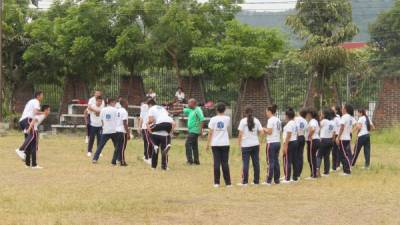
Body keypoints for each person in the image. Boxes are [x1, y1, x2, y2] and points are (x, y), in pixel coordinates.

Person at [206, 103, 231, 188]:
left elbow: (210, 132)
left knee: (216, 163)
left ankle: (217, 183)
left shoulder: (213, 119)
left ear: (216, 110)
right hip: (225, 143)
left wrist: (207, 144)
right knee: (225, 163)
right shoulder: (227, 118)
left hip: (215, 143)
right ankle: (228, 183)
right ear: (224, 110)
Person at [237, 106, 263, 186]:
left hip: (245, 145)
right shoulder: (257, 120)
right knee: (256, 163)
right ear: (252, 112)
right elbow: (262, 132)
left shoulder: (243, 121)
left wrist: (239, 144)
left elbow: (240, 134)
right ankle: (256, 181)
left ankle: (245, 182)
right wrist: (258, 140)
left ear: (245, 113)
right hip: (255, 144)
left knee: (245, 163)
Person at [147, 99, 175, 170]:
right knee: (164, 149)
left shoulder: (151, 109)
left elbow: (151, 120)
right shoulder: (163, 109)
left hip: (157, 128)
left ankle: (153, 167)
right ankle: (164, 166)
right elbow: (173, 124)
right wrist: (170, 133)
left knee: (149, 131)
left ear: (150, 105)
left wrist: (147, 124)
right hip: (167, 129)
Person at [15, 91, 44, 160]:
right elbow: (35, 112)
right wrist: (44, 112)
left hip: (22, 121)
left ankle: (26, 155)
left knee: (29, 137)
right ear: (38, 96)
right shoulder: (36, 101)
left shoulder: (31, 101)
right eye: (42, 95)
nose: (43, 96)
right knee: (32, 135)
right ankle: (20, 150)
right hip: (27, 119)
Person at [92, 98, 119, 164]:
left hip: (106, 130)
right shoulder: (116, 110)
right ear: (111, 102)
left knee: (100, 145)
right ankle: (118, 159)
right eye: (114, 102)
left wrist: (104, 126)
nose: (115, 104)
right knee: (117, 146)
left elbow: (101, 120)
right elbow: (118, 120)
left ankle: (95, 158)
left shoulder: (103, 110)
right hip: (114, 131)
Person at [23, 105, 50, 169]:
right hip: (32, 131)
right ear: (45, 110)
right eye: (48, 110)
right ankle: (34, 165)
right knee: (34, 148)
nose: (49, 111)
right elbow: (33, 120)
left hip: (27, 130)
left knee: (29, 148)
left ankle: (27, 164)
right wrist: (29, 129)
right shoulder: (42, 115)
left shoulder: (43, 115)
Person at [262, 104, 281, 186]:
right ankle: (277, 179)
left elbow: (269, 132)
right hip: (277, 142)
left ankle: (268, 180)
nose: (265, 113)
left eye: (266, 111)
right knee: (276, 161)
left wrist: (264, 129)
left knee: (270, 162)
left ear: (269, 111)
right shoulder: (278, 120)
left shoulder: (270, 120)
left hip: (271, 143)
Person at [183, 99, 205, 165]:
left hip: (195, 130)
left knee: (187, 144)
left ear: (193, 103)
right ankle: (196, 161)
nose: (188, 104)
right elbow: (183, 110)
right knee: (194, 146)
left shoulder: (198, 110)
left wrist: (201, 131)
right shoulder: (191, 110)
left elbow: (202, 119)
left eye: (189, 103)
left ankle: (190, 161)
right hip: (191, 130)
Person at [336, 104, 354, 175]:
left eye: (343, 108)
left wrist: (338, 137)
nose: (341, 109)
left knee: (343, 155)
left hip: (343, 138)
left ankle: (347, 171)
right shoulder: (350, 117)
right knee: (345, 154)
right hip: (347, 138)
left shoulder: (344, 117)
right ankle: (346, 170)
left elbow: (342, 127)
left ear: (346, 109)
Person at [282, 108, 298, 183]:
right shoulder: (294, 123)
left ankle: (287, 178)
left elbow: (288, 135)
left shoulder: (289, 124)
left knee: (287, 160)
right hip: (295, 141)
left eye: (285, 115)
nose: (284, 117)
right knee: (294, 160)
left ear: (287, 116)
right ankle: (295, 177)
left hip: (290, 142)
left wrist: (285, 146)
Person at [317, 108, 335, 176]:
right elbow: (334, 133)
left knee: (319, 155)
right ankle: (326, 172)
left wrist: (320, 119)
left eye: (322, 114)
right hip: (330, 140)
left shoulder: (324, 121)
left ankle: (317, 169)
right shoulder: (332, 122)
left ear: (324, 115)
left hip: (323, 140)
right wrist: (332, 141)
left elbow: (318, 126)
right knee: (326, 156)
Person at [112, 99, 130, 166]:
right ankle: (122, 161)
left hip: (117, 130)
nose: (128, 104)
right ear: (124, 103)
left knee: (117, 147)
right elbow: (124, 123)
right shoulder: (124, 111)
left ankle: (114, 160)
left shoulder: (117, 110)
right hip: (122, 131)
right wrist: (128, 133)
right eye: (127, 103)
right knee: (122, 147)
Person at [306, 108, 320, 179]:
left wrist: (309, 136)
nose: (307, 116)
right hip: (315, 140)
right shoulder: (314, 121)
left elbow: (313, 129)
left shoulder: (313, 121)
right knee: (311, 157)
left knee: (311, 158)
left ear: (310, 114)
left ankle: (314, 174)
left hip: (313, 140)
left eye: (307, 114)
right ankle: (313, 173)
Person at [294, 108, 307, 180]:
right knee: (300, 155)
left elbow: (295, 127)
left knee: (295, 156)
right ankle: (299, 173)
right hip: (302, 137)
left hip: (297, 137)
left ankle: (295, 173)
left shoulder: (297, 118)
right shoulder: (305, 121)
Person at [138, 97, 152, 164]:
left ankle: (146, 155)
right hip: (145, 127)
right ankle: (147, 157)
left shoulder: (153, 107)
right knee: (148, 142)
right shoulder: (144, 106)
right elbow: (141, 117)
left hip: (150, 127)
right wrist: (139, 127)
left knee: (147, 142)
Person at [331, 105, 342, 172]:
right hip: (333, 135)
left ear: (336, 111)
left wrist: (338, 137)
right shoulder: (332, 118)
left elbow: (341, 126)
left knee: (337, 151)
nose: (331, 110)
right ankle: (334, 166)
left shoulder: (337, 118)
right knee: (333, 151)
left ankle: (337, 165)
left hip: (337, 135)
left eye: (333, 109)